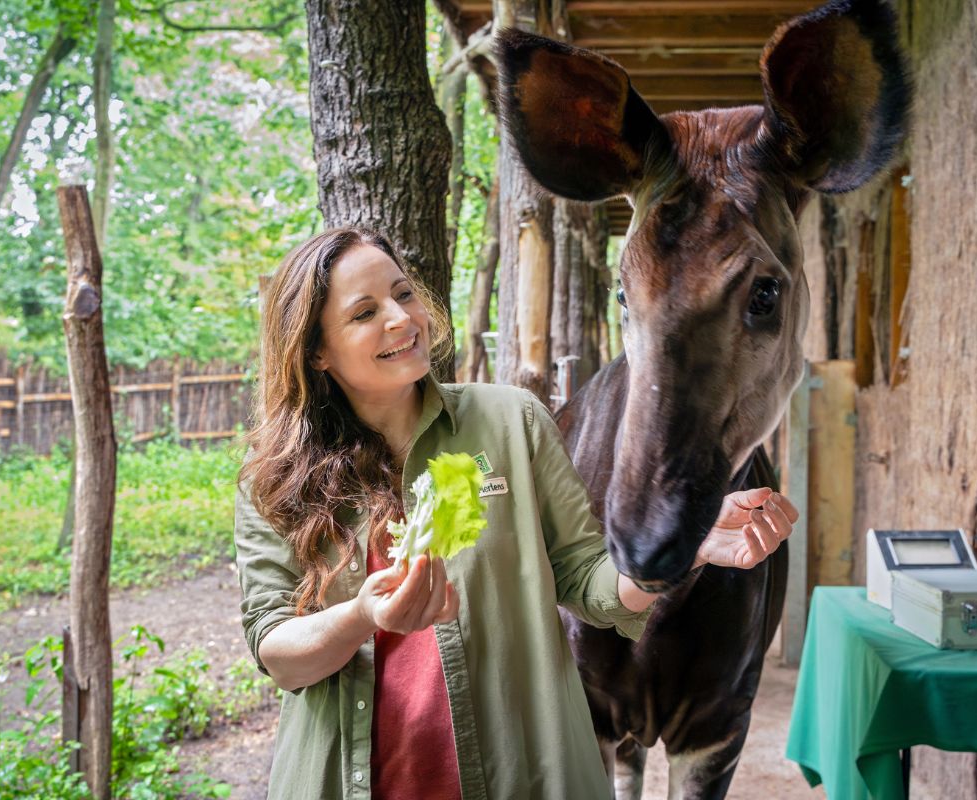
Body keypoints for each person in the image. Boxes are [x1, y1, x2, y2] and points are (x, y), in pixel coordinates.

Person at [233, 227, 798, 800]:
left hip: (515, 776)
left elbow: (589, 582)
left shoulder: (510, 423)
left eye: (403, 294)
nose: (401, 319)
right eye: (364, 313)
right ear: (316, 351)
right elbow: (278, 652)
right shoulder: (275, 477)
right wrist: (362, 615)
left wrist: (689, 544)